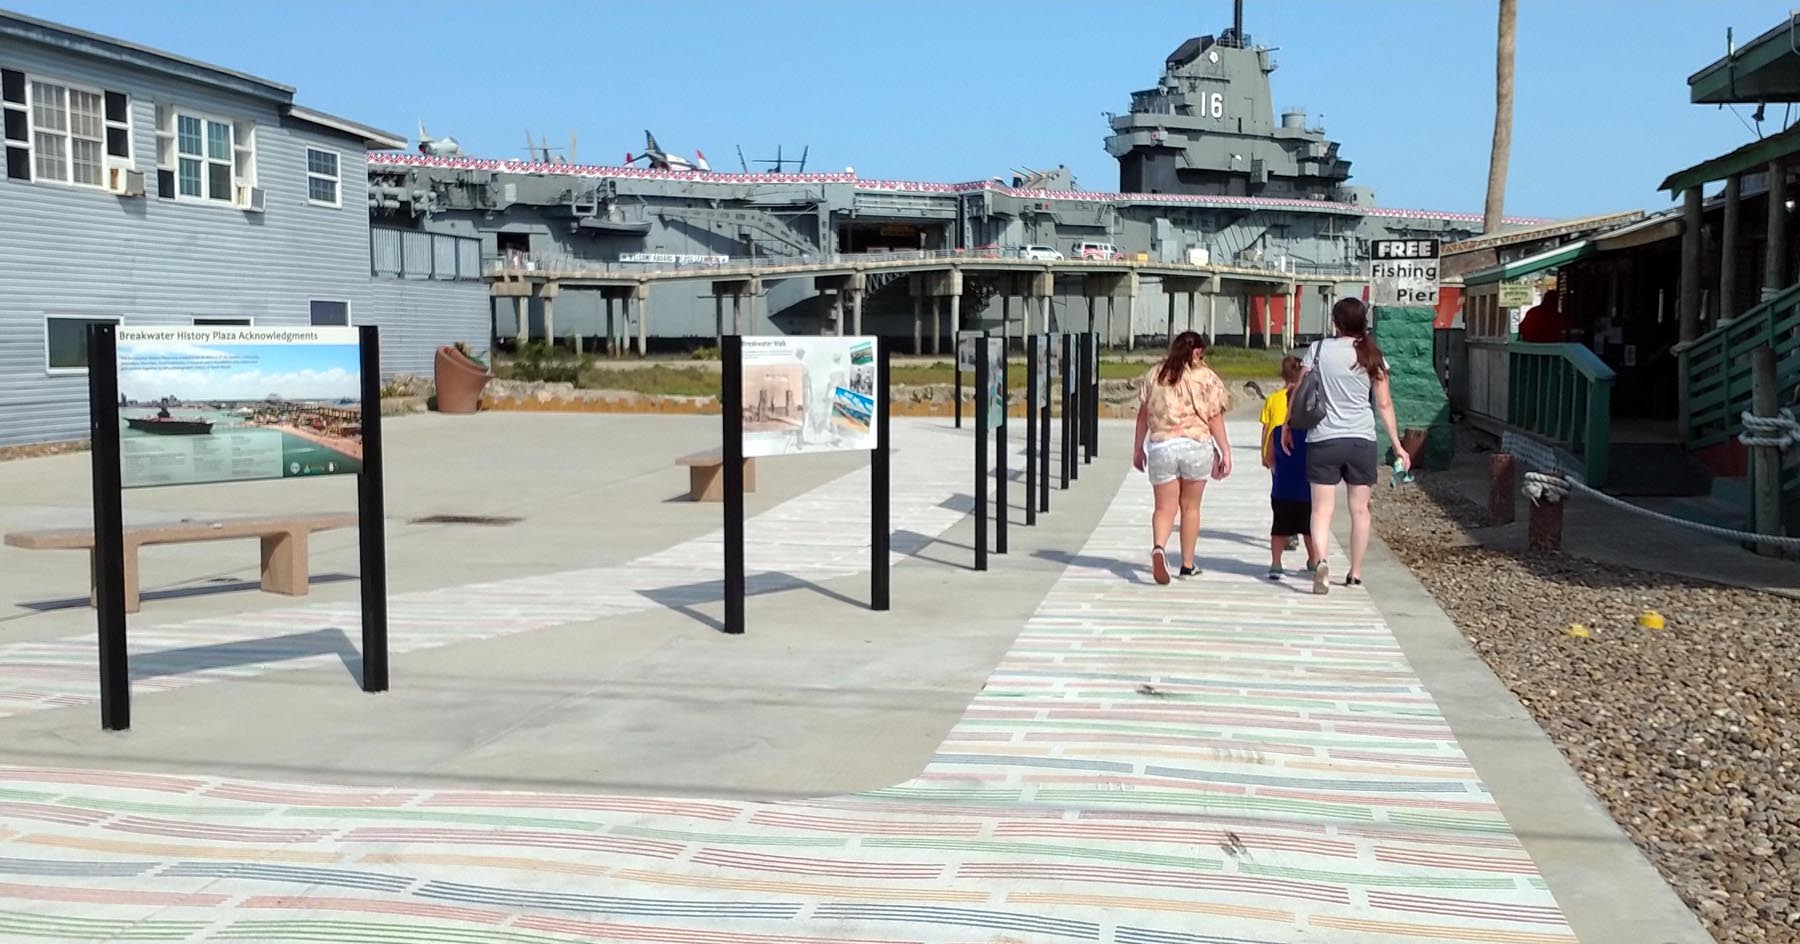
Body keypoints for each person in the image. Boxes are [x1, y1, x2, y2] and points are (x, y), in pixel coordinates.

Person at [1282, 298, 1409, 594]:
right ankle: (1355, 573)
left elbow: (1299, 391)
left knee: (1321, 511)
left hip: (1323, 439)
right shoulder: (1372, 354)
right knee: (1360, 510)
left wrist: (1288, 425)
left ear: (1336, 323)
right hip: (1361, 440)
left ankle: (1322, 561)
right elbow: (1384, 404)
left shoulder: (1318, 350)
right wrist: (1397, 445)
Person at [1133, 330, 1231, 585]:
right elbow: (1214, 417)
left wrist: (1137, 448)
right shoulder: (1206, 377)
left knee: (1164, 508)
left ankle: (1159, 547)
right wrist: (1225, 450)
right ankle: (1187, 565)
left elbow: (1143, 416)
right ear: (1197, 352)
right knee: (1190, 507)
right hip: (1195, 446)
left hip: (1162, 447)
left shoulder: (1155, 375)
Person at [1265, 356, 1319, 579]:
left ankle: (1276, 564)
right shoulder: (1313, 434)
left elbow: (1270, 458)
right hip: (1308, 490)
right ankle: (1313, 562)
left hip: (1282, 488)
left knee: (1279, 528)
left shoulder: (1278, 432)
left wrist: (1277, 470)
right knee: (1309, 529)